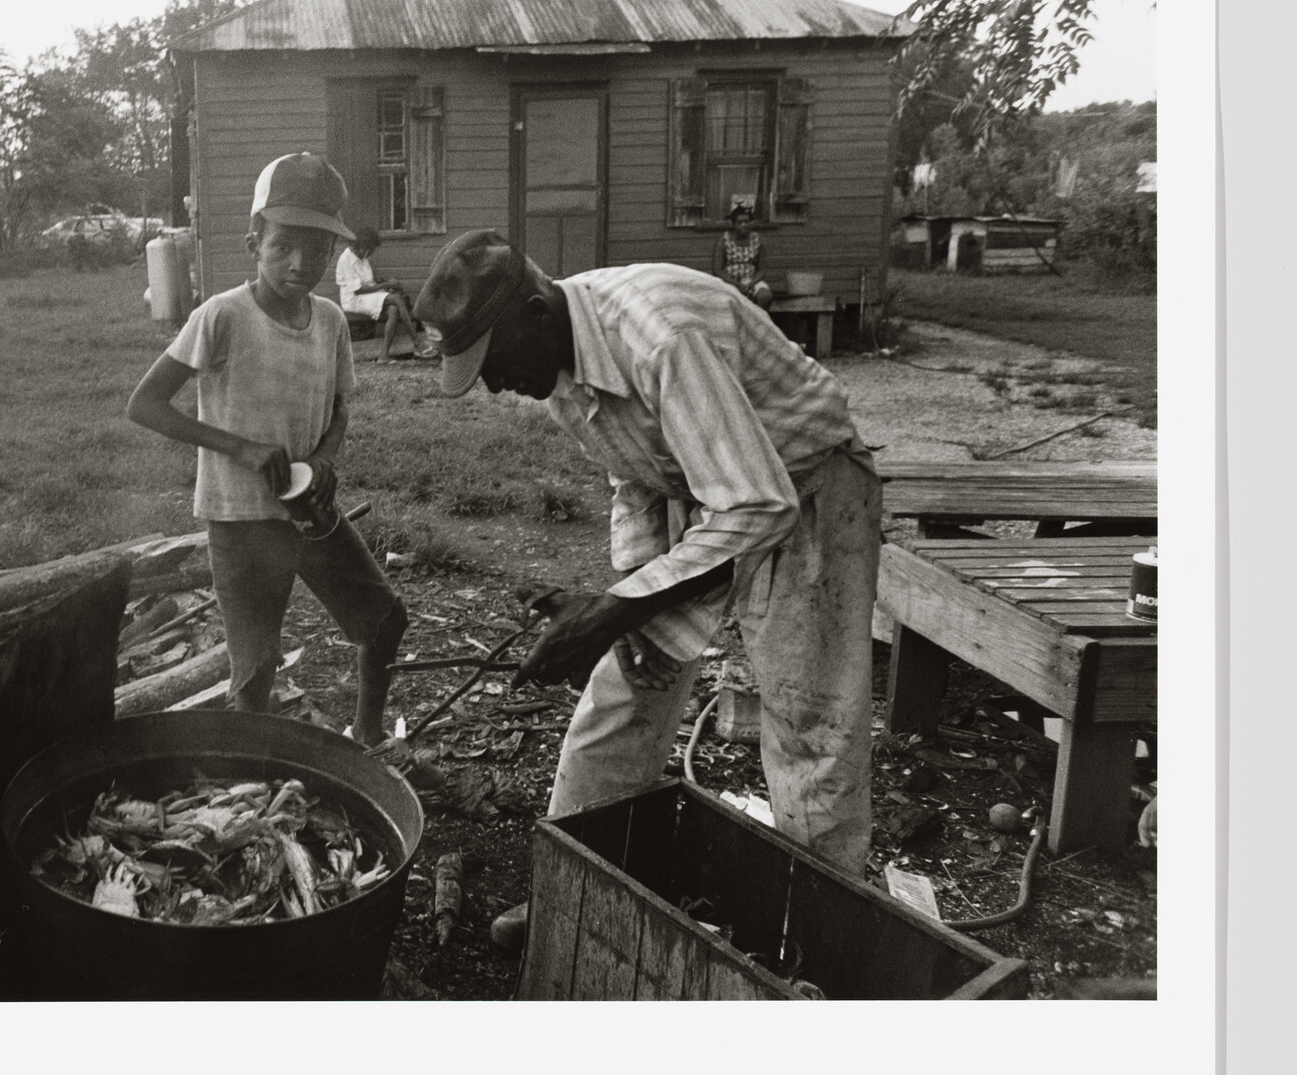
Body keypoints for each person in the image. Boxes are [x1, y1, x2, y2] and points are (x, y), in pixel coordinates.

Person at [412, 231, 882, 946]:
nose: (493, 383)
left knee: (810, 726)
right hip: (700, 495)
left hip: (807, 488)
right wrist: (624, 600)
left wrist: (613, 609)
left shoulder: (658, 337)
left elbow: (760, 502)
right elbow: (632, 474)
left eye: (493, 360)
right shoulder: (559, 367)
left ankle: (822, 941)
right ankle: (571, 896)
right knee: (623, 693)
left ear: (538, 313)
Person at [128, 154, 409, 744]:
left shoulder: (330, 321)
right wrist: (242, 448)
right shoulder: (221, 317)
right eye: (283, 246)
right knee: (255, 672)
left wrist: (325, 458)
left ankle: (369, 737)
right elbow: (146, 404)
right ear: (253, 241)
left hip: (310, 511)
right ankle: (248, 785)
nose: (301, 264)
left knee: (384, 621)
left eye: (317, 249)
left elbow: (338, 411)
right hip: (241, 519)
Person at [336, 226, 436, 362]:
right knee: (396, 299)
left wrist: (385, 285)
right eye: (370, 249)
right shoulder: (346, 259)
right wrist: (386, 286)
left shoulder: (363, 258)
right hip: (353, 299)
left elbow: (369, 282)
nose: (371, 253)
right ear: (363, 245)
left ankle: (383, 356)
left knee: (393, 309)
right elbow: (358, 290)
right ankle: (417, 342)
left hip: (366, 297)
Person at [709, 197, 773, 308]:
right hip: (730, 282)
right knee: (725, 300)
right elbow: (717, 270)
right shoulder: (723, 240)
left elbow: (762, 269)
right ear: (733, 224)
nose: (744, 225)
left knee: (765, 296)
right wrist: (737, 285)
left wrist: (751, 283)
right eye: (740, 222)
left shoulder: (757, 239)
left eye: (746, 222)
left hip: (751, 281)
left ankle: (756, 322)